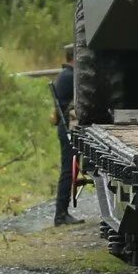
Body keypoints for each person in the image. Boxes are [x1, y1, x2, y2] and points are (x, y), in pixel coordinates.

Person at [50, 44, 83, 226]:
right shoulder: (70, 77)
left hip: (66, 126)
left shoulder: (65, 75)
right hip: (67, 127)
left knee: (69, 170)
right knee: (68, 171)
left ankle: (62, 214)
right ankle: (61, 215)